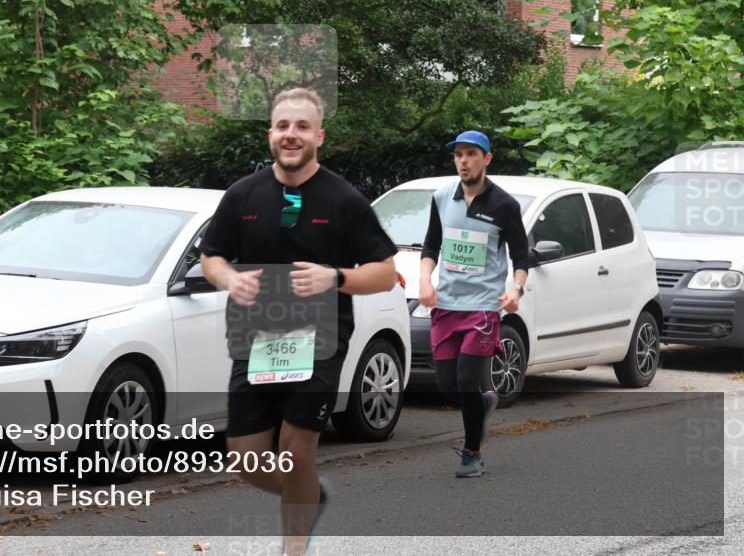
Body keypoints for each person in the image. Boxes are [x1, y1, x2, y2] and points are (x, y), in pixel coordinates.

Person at [200, 88, 398, 555]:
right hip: (255, 335)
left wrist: (336, 277)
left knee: (295, 451)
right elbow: (212, 257)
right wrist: (229, 278)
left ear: (319, 137)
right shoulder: (243, 195)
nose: (291, 135)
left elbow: (386, 273)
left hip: (319, 337)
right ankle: (310, 494)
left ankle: (293, 548)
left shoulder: (343, 199)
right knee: (246, 460)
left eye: (302, 127)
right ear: (270, 133)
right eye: (283, 126)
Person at [418, 130, 530, 478]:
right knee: (448, 386)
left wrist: (516, 290)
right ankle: (482, 403)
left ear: (487, 159)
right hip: (447, 304)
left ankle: (472, 454)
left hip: (483, 307)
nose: (463, 161)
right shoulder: (440, 198)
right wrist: (425, 279)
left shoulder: (504, 205)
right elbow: (430, 246)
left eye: (470, 154)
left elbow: (522, 255)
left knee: (467, 378)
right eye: (458, 155)